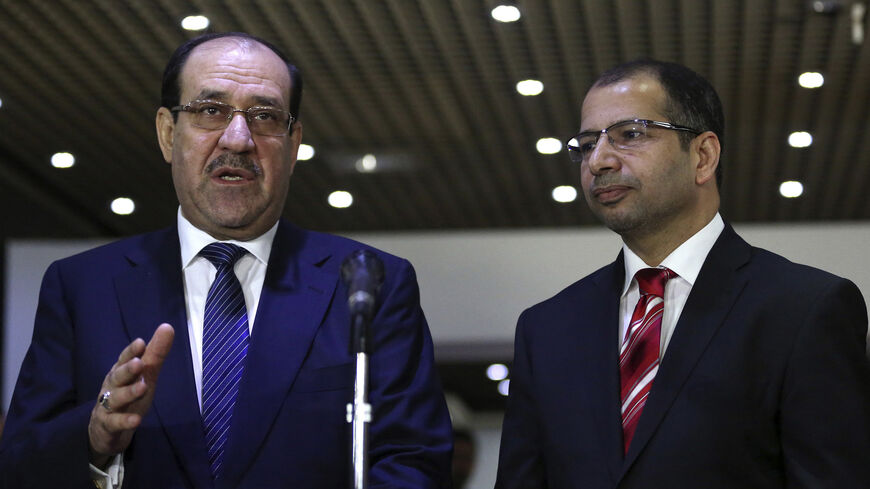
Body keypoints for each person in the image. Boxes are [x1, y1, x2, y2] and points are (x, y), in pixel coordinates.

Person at [0, 32, 452, 489]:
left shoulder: (368, 284)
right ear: (167, 133)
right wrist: (95, 437)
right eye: (210, 111)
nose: (238, 139)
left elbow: (414, 462)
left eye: (265, 116)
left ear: (293, 144)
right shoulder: (83, 286)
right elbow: (20, 463)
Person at [495, 59, 870, 488]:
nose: (598, 160)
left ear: (703, 156)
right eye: (585, 143)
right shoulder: (547, 328)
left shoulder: (804, 308)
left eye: (629, 134)